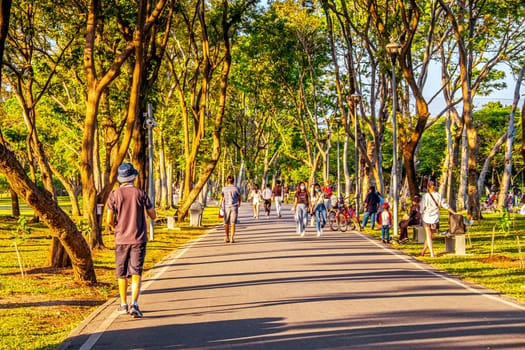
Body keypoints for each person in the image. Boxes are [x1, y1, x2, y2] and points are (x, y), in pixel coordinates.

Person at [107, 163, 156, 318]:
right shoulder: (140, 193)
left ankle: (123, 304)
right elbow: (153, 214)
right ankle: (134, 304)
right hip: (138, 238)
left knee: (121, 273)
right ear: (133, 177)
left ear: (120, 179)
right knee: (136, 271)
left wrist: (116, 226)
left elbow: (108, 219)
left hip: (121, 239)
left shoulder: (114, 195)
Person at [420, 179, 456, 257]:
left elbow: (422, 208)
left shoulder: (425, 196)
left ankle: (430, 253)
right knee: (430, 235)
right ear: (435, 187)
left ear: (428, 187)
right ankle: (425, 252)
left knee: (428, 235)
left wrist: (420, 214)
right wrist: (454, 213)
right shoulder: (439, 196)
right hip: (435, 218)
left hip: (426, 217)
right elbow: (446, 206)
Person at [219, 175, 241, 243]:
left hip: (226, 207)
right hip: (234, 206)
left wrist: (220, 203)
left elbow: (222, 197)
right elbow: (239, 197)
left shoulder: (224, 188)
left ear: (227, 181)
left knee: (226, 223)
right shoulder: (236, 188)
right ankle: (232, 238)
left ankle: (227, 237)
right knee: (233, 223)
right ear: (233, 181)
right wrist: (239, 203)